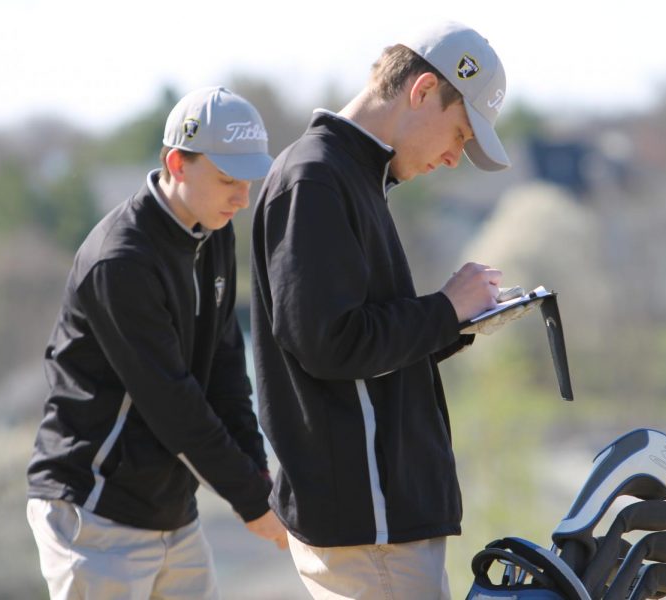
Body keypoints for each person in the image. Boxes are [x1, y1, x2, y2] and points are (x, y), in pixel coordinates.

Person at [250, 21, 510, 600]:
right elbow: (328, 342)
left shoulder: (347, 174)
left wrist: (453, 321)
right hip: (370, 530)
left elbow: (358, 341)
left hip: (377, 525)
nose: (454, 158)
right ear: (420, 92)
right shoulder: (317, 177)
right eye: (461, 134)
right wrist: (443, 308)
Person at [26, 86, 287, 600]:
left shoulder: (211, 232)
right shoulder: (120, 261)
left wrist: (259, 474)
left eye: (248, 181)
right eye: (229, 179)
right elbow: (173, 404)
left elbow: (225, 367)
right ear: (178, 163)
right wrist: (254, 502)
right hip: (95, 514)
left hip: (172, 513)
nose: (242, 197)